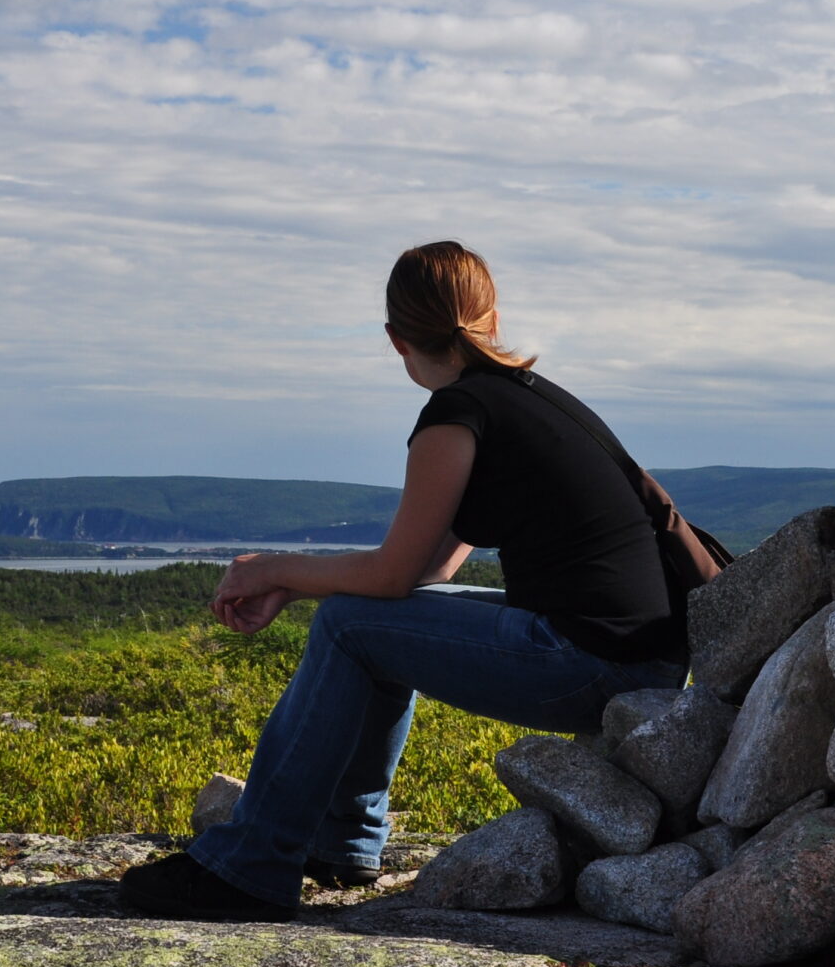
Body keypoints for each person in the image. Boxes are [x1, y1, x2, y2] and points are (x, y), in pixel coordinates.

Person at [120, 240, 690, 923]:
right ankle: (343, 841)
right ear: (493, 315)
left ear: (395, 339)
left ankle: (250, 868)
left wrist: (267, 568)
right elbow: (422, 571)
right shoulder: (527, 401)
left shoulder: (457, 417)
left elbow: (392, 576)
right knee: (366, 620)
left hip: (592, 664)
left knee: (351, 623)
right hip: (641, 658)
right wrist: (296, 587)